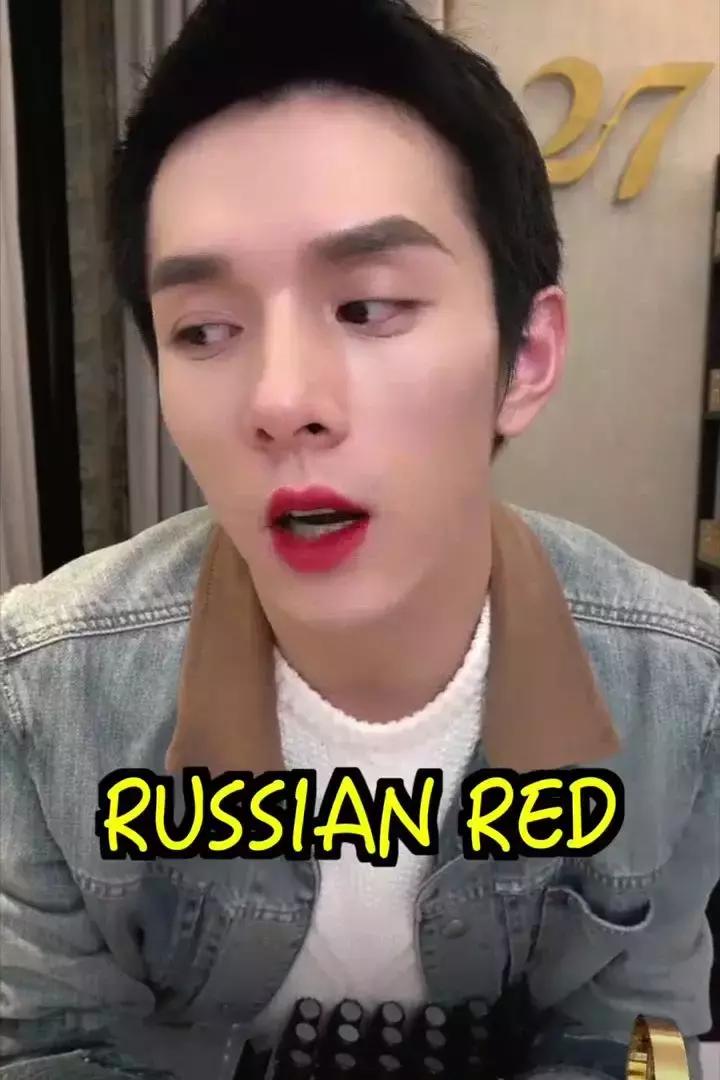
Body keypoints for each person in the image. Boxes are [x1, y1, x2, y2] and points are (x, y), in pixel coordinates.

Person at [1, 0, 718, 1077]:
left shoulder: (683, 692)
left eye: (369, 307)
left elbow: (629, 1048)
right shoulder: (44, 697)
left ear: (526, 357)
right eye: (205, 330)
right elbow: (56, 1050)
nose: (280, 401)